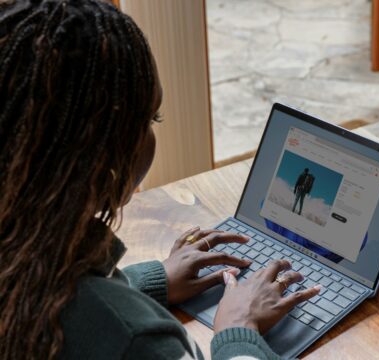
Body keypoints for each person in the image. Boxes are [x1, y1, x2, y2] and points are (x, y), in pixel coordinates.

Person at [0, 1, 321, 359]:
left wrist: (145, 283)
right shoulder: (139, 342)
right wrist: (238, 330)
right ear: (103, 153)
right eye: (153, 118)